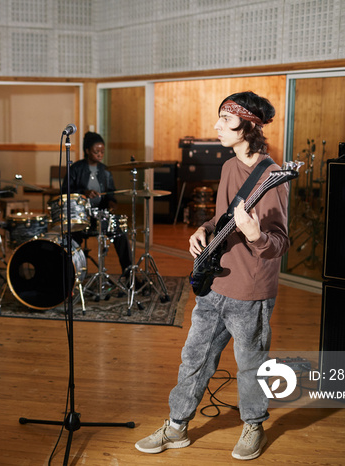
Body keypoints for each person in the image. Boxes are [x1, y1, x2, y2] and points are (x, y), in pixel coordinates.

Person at [134, 91, 289, 460]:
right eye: (218, 117)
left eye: (225, 119)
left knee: (250, 364)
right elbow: (221, 220)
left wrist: (255, 235)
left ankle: (254, 426)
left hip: (250, 289)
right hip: (214, 282)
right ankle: (177, 426)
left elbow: (280, 242)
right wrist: (201, 230)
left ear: (247, 125)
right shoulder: (226, 168)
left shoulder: (274, 177)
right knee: (194, 357)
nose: (217, 126)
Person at [62, 131, 132, 275]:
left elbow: (111, 192)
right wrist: (83, 193)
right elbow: (64, 192)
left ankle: (129, 275)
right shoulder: (76, 168)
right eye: (96, 151)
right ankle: (72, 276)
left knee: (121, 234)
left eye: (102, 152)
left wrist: (112, 202)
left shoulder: (105, 171)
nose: (100, 154)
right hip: (80, 217)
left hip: (100, 217)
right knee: (69, 239)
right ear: (87, 151)